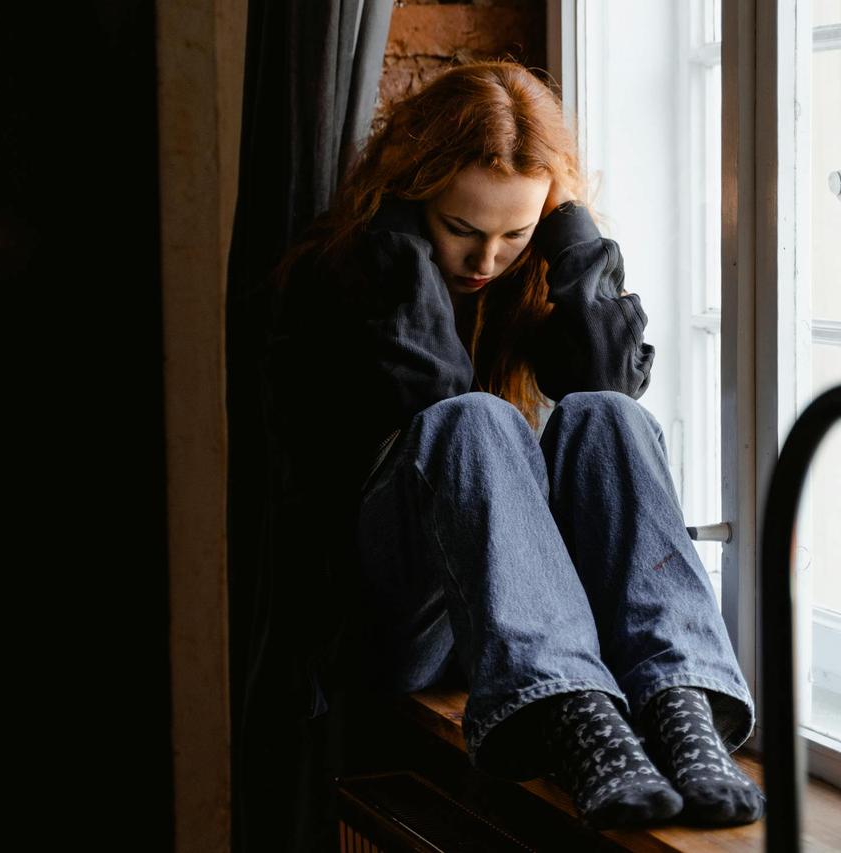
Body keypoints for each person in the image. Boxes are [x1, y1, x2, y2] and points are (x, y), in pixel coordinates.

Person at [270, 61, 763, 830]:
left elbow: (611, 382)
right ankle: (572, 714)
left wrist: (571, 238)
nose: (485, 260)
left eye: (516, 232)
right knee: (474, 420)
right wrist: (400, 244)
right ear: (412, 195)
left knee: (610, 416)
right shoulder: (347, 280)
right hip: (396, 631)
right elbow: (436, 401)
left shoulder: (528, 276)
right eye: (460, 228)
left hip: (513, 623)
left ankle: (681, 701)